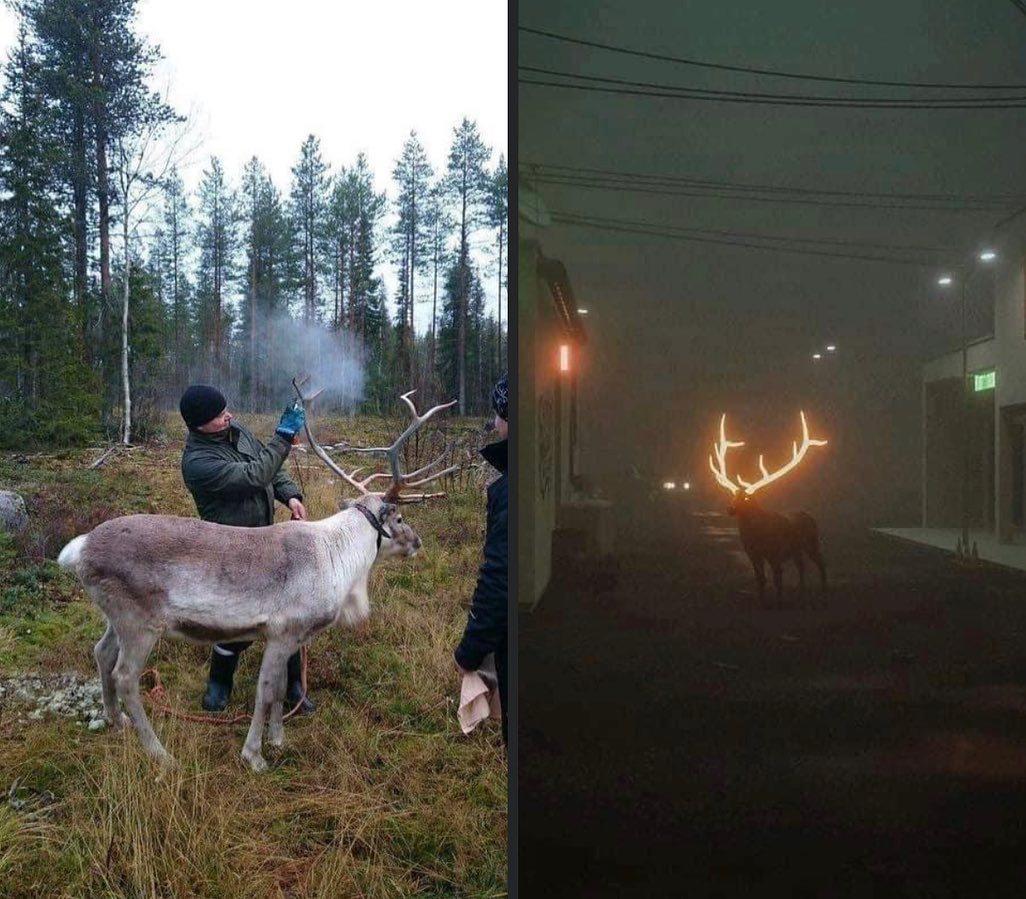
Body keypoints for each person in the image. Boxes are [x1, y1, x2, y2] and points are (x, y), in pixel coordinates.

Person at [178, 384, 316, 715]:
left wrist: (291, 495)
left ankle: (294, 685)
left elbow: (271, 470)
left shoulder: (235, 430)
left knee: (287, 613)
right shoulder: (198, 462)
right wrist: (283, 437)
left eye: (226, 409)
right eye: (219, 414)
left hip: (268, 538)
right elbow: (255, 475)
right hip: (231, 548)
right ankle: (219, 685)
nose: (229, 415)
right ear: (199, 424)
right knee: (235, 620)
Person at [455, 374, 509, 744]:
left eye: (499, 415)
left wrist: (469, 652)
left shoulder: (509, 491)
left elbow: (500, 577)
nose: (495, 424)